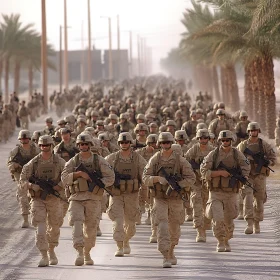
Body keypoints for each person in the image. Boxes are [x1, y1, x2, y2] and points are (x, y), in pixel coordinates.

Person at [142, 132, 196, 268]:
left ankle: (171, 250)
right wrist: (157, 179)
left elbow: (191, 178)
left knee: (174, 228)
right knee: (163, 225)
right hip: (160, 198)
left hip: (176, 199)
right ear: (159, 144)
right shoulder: (155, 159)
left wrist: (178, 185)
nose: (165, 145)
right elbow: (145, 177)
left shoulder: (180, 160)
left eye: (167, 143)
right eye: (163, 143)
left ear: (171, 143)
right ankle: (165, 255)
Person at [61, 133, 115, 266]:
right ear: (78, 146)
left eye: (86, 144)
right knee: (77, 223)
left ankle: (87, 252)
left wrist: (98, 183)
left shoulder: (99, 160)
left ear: (90, 145)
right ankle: (79, 252)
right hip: (76, 198)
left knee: (91, 229)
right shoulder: (73, 161)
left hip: (93, 199)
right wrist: (78, 174)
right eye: (81, 144)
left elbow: (110, 177)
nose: (84, 146)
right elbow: (64, 178)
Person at [200, 130, 250, 252]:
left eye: (227, 140)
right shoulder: (214, 154)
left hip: (231, 193)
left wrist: (243, 177)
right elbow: (203, 171)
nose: (225, 142)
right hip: (216, 192)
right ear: (220, 141)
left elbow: (246, 167)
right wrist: (219, 173)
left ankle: (227, 239)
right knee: (217, 218)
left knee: (229, 219)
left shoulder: (237, 154)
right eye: (223, 140)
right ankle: (220, 241)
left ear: (231, 141)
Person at [19, 135, 66, 266]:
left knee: (54, 227)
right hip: (38, 199)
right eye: (42, 146)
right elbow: (22, 180)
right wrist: (31, 185)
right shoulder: (33, 163)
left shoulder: (59, 161)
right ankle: (44, 255)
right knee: (40, 227)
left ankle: (51, 250)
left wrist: (60, 185)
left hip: (54, 199)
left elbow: (68, 175)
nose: (44, 148)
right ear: (39, 146)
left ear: (51, 146)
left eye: (47, 145)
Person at [105, 132, 147, 257]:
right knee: (118, 221)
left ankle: (126, 240)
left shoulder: (138, 159)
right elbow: (105, 177)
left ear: (131, 143)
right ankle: (119, 246)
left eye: (126, 142)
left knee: (131, 225)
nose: (124, 144)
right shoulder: (111, 159)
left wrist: (143, 199)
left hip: (132, 196)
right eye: (122, 142)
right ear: (119, 144)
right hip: (116, 195)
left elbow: (144, 178)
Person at [237, 122, 276, 234]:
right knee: (248, 198)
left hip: (259, 176)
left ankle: (256, 223)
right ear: (248, 132)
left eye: (255, 131)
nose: (253, 132)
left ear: (258, 131)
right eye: (251, 131)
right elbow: (236, 158)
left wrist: (267, 161)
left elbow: (273, 158)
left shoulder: (264, 145)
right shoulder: (243, 145)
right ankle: (249, 223)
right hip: (247, 176)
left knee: (259, 200)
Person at [185, 129, 214, 242]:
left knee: (207, 206)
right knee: (196, 203)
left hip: (209, 183)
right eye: (200, 138)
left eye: (205, 138)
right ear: (198, 139)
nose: (203, 140)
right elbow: (185, 162)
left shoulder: (212, 151)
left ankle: (206, 225)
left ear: (208, 138)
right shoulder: (193, 150)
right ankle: (200, 231)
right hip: (196, 183)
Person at [7, 130, 40, 227]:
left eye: (26, 138)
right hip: (21, 176)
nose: (24, 140)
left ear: (29, 139)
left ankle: (35, 217)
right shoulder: (15, 151)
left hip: (34, 176)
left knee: (35, 197)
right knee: (22, 197)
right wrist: (15, 165)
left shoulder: (36, 150)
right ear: (20, 139)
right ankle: (25, 219)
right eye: (22, 139)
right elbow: (9, 164)